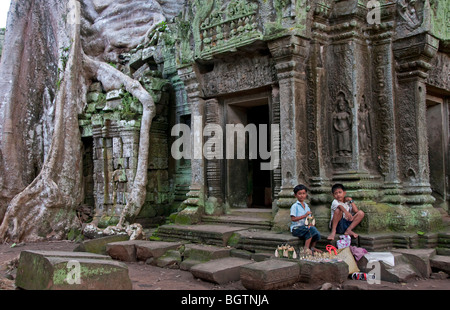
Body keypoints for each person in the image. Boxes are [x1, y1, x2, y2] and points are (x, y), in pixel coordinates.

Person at [290, 184, 321, 254]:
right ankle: (306, 249)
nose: (302, 195)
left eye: (303, 193)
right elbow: (293, 219)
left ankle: (312, 247)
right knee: (310, 231)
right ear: (295, 195)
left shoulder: (306, 206)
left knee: (316, 232)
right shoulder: (295, 206)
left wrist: (311, 223)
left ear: (306, 194)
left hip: (305, 227)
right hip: (296, 228)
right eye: (299, 194)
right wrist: (304, 215)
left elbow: (309, 218)